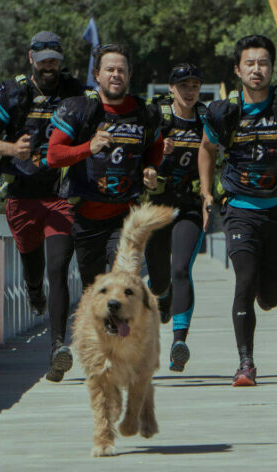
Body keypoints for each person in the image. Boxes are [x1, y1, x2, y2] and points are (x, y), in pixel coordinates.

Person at [199, 34, 277, 387]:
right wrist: (207, 193)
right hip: (240, 208)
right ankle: (245, 363)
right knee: (245, 281)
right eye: (250, 63)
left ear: (272, 68)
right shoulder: (223, 111)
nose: (257, 69)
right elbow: (206, 149)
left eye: (264, 63)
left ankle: (262, 292)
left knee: (269, 298)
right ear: (238, 69)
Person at [0, 31, 85, 382]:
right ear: (31, 60)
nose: (50, 67)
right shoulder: (13, 92)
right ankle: (33, 290)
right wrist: (12, 150)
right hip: (22, 193)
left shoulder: (75, 91)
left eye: (55, 60)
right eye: (44, 62)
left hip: (60, 194)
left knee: (58, 268)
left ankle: (58, 347)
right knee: (33, 264)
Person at [46, 43, 164, 288]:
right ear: (96, 74)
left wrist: (151, 168)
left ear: (129, 75)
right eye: (110, 69)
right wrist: (88, 148)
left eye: (121, 70)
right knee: (95, 290)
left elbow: (156, 147)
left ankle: (123, 323)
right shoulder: (79, 109)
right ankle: (108, 327)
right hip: (86, 215)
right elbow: (54, 155)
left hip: (125, 214)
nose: (116, 75)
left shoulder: (145, 112)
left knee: (122, 279)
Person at [144, 64, 209, 372]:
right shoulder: (158, 117)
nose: (189, 90)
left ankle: (179, 342)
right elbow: (138, 156)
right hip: (157, 205)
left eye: (195, 85)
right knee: (158, 280)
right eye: (183, 85)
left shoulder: (206, 119)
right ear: (171, 89)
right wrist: (158, 151)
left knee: (181, 268)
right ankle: (163, 295)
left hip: (189, 204)